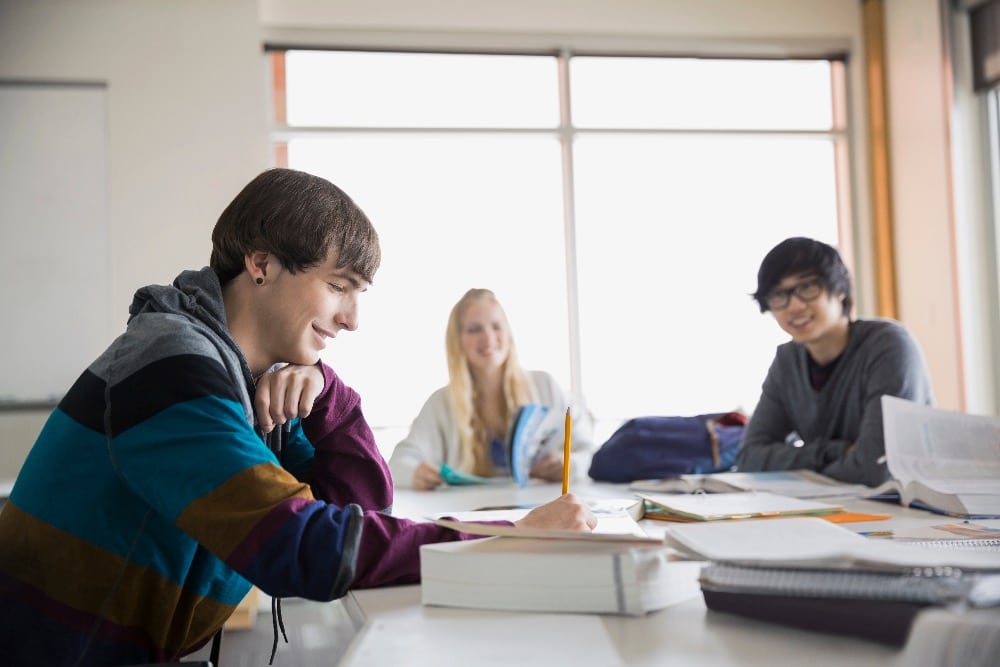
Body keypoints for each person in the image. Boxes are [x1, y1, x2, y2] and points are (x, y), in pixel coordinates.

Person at [0, 168, 596, 666]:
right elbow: (299, 547)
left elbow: (358, 507)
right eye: (338, 286)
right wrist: (507, 538)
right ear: (261, 264)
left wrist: (327, 392)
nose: (352, 319)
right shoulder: (172, 367)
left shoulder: (252, 383)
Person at [736, 236, 934, 487]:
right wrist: (835, 451)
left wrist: (801, 465)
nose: (794, 306)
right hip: (835, 503)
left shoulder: (888, 345)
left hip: (909, 505)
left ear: (840, 290)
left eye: (808, 287)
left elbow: (876, 470)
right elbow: (749, 458)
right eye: (778, 295)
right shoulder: (787, 361)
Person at [389, 288, 595, 490]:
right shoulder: (441, 403)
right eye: (474, 329)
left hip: (541, 506)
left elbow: (589, 452)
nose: (488, 338)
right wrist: (415, 472)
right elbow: (399, 463)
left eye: (496, 326)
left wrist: (569, 465)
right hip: (470, 509)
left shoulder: (545, 386)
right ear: (457, 340)